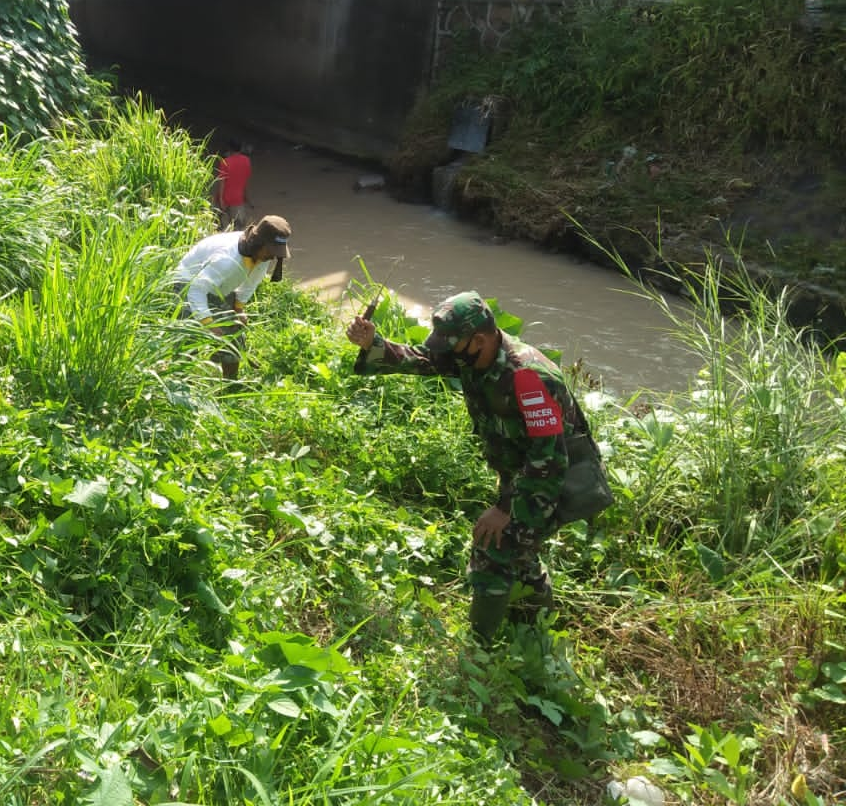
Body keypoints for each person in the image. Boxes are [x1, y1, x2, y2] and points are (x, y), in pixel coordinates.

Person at [346, 290, 607, 644]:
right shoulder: (472, 355)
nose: (447, 353)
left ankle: (479, 648)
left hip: (554, 478)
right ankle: (540, 628)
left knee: (495, 545)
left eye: (452, 345)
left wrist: (504, 507)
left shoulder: (528, 378)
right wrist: (373, 342)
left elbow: (550, 458)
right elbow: (422, 360)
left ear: (479, 340)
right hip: (523, 471)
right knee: (522, 554)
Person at [172, 215, 291, 380]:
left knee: (233, 330)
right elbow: (196, 290)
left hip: (219, 285)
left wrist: (239, 308)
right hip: (188, 282)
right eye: (271, 251)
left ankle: (230, 386)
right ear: (259, 243)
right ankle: (180, 385)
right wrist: (208, 323)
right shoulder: (226, 259)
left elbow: (251, 283)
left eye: (276, 252)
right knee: (189, 337)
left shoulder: (261, 256)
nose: (273, 256)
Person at [211, 137, 253, 231]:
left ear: (229, 149)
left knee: (216, 223)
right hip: (238, 199)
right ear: (241, 148)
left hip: (225, 197)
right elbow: (245, 180)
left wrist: (221, 199)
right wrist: (246, 197)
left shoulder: (225, 162)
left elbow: (222, 182)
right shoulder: (246, 160)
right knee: (238, 228)